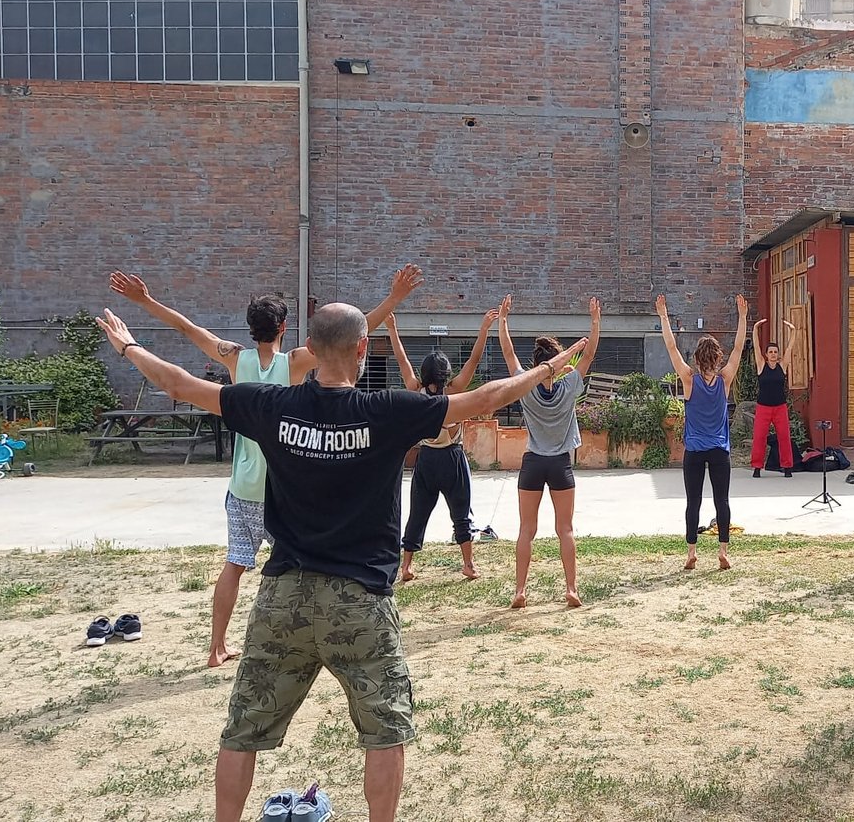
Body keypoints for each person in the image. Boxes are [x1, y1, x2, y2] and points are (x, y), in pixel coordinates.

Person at [94, 295, 584, 822]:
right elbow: (484, 397)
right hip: (361, 602)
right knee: (383, 734)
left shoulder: (272, 405)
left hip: (284, 596)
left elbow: (181, 385)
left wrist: (128, 346)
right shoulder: (388, 411)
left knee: (242, 731)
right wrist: (549, 368)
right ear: (362, 349)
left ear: (308, 348)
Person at [108, 267, 420, 668]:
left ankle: (216, 647)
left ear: (250, 328)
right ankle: (305, 642)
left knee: (235, 564)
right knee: (299, 567)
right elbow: (349, 334)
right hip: (283, 489)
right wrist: (394, 299)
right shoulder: (294, 362)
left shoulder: (234, 357)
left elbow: (187, 328)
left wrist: (144, 303)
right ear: (285, 327)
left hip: (242, 487)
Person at [497, 294, 601, 608]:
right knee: (565, 529)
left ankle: (520, 591)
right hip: (560, 464)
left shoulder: (525, 385)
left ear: (537, 363)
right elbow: (590, 354)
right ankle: (571, 589)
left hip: (532, 463)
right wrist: (595, 321)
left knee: (526, 530)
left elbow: (508, 351)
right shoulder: (570, 386)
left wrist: (503, 320)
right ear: (561, 363)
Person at [386, 310, 499, 584]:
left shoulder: (416, 390)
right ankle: (468, 564)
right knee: (461, 512)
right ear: (446, 375)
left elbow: (402, 360)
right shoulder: (455, 391)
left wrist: (392, 329)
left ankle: (407, 567)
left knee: (418, 514)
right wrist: (483, 329)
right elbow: (473, 360)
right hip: (452, 459)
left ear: (425, 376)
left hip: (426, 461)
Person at [656, 293, 748, 571]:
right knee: (722, 500)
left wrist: (663, 315)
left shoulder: (688, 380)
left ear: (696, 360)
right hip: (720, 450)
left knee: (692, 501)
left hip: (694, 451)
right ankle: (722, 552)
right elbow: (739, 348)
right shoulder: (725, 378)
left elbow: (671, 347)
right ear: (717, 359)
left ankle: (691, 553)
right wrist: (742, 317)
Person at [750, 316, 798, 478]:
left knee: (784, 437)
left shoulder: (782, 366)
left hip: (780, 407)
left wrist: (793, 331)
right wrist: (756, 329)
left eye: (775, 352)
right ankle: (757, 467)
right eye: (770, 352)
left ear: (778, 355)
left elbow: (790, 348)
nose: (773, 354)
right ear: (766, 354)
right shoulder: (761, 365)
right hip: (763, 407)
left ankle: (787, 467)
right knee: (759, 437)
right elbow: (756, 346)